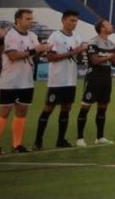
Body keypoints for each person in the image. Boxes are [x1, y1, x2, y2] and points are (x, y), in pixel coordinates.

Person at [0, 9, 49, 155]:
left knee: (22, 112)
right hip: (10, 80)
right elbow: (12, 55)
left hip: (27, 80)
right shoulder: (11, 35)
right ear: (18, 20)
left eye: (31, 18)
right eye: (28, 18)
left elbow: (33, 56)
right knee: (4, 111)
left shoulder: (32, 35)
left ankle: (17, 144)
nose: (31, 21)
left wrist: (43, 49)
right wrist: (35, 50)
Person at [34, 9, 87, 149]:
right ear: (63, 20)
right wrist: (74, 51)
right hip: (57, 81)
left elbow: (79, 59)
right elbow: (51, 57)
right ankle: (38, 141)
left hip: (70, 80)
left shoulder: (77, 37)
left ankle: (61, 140)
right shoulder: (55, 37)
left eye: (76, 21)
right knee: (48, 109)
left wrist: (81, 52)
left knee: (66, 109)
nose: (74, 23)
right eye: (71, 20)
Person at [76, 19, 115, 146]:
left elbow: (113, 63)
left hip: (106, 78)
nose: (112, 25)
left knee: (102, 108)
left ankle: (100, 137)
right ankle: (80, 138)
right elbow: (94, 61)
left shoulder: (111, 44)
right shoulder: (92, 42)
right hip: (94, 78)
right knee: (85, 107)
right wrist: (112, 56)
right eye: (108, 24)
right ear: (102, 28)